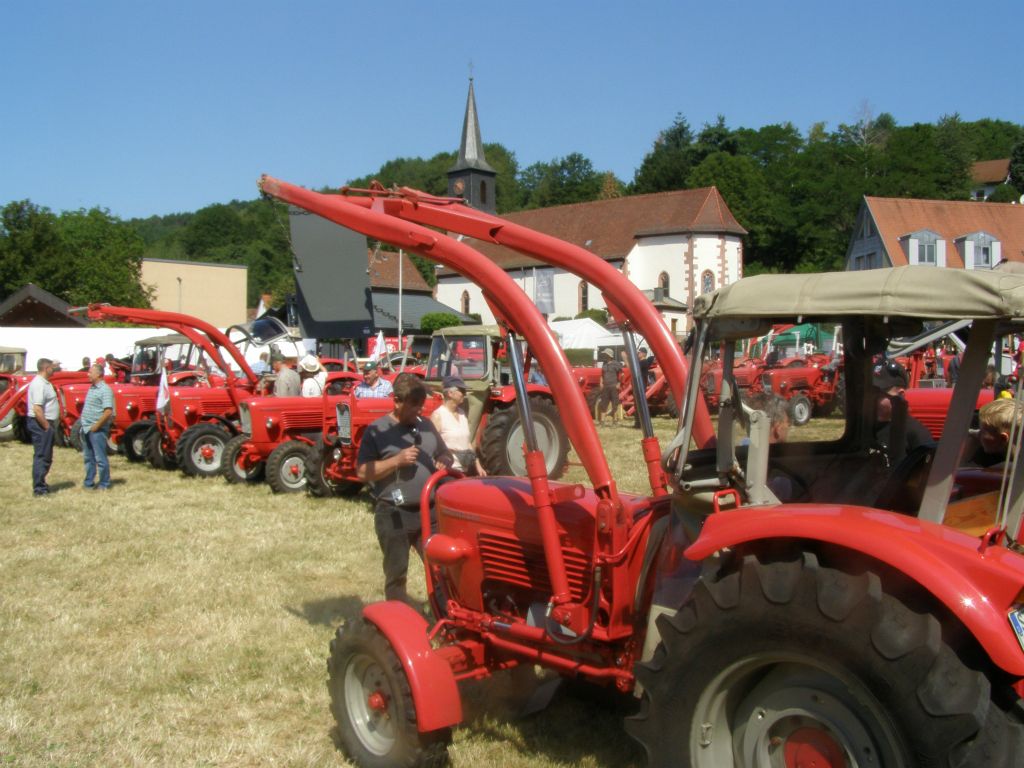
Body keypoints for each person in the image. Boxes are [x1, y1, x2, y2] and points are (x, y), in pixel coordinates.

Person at [357, 373, 454, 604]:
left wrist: (444, 460)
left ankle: (446, 617)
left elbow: (445, 453)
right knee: (396, 573)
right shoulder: (377, 431)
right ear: (397, 401)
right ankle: (398, 622)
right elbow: (362, 472)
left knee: (440, 571)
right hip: (394, 514)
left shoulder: (427, 426)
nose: (420, 411)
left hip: (428, 512)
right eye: (414, 406)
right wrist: (395, 461)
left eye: (422, 405)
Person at [872, 358, 932, 463]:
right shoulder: (863, 428)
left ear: (900, 395)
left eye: (880, 394)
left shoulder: (915, 433)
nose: (872, 399)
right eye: (870, 392)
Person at [431, 375, 486, 476]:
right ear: (450, 393)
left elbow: (467, 442)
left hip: (466, 470)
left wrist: (478, 465)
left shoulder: (462, 413)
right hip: (449, 471)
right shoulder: (438, 416)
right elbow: (432, 446)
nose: (464, 394)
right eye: (462, 391)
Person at [26, 358, 59, 496]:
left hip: (43, 423)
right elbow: (37, 409)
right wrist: (46, 427)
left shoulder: (44, 383)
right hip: (41, 423)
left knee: (46, 455)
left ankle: (41, 482)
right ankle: (39, 488)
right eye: (52, 367)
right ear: (46, 368)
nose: (54, 369)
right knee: (42, 455)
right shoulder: (39, 384)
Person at [80, 363, 115, 490]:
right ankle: (88, 483)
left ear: (99, 374)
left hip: (96, 429)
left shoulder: (105, 390)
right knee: (88, 458)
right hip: (86, 427)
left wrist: (96, 426)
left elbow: (108, 411)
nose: (88, 374)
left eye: (90, 372)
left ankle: (104, 483)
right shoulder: (92, 388)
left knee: (100, 458)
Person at [961, 398, 1023, 469]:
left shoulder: (1006, 468)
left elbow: (960, 470)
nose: (978, 433)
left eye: (982, 431)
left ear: (1003, 438)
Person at [595, 348, 623, 424]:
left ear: (609, 355)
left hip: (613, 386)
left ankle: (615, 420)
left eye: (605, 354)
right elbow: (602, 375)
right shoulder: (604, 364)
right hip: (606, 387)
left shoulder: (616, 364)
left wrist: (619, 383)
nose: (604, 355)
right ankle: (602, 421)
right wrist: (601, 383)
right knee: (604, 403)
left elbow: (622, 374)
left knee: (614, 403)